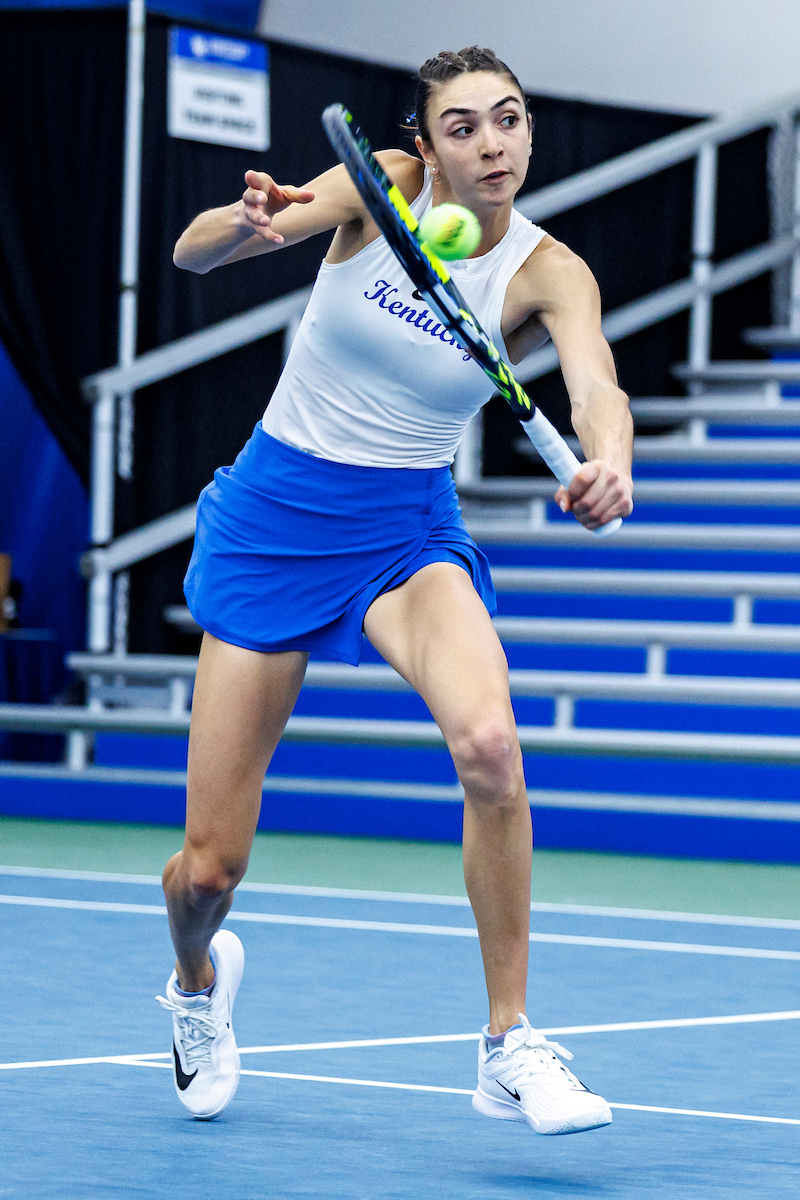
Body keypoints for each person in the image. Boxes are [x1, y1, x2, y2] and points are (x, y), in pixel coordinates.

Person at [156, 46, 633, 1134]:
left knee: (490, 746)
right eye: (462, 126)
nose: (492, 144)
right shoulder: (384, 188)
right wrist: (249, 219)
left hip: (403, 531)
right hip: (275, 521)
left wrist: (610, 460)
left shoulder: (547, 271)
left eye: (508, 118)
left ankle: (507, 1042)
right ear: (426, 145)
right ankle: (193, 985)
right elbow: (193, 253)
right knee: (207, 874)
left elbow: (596, 385)